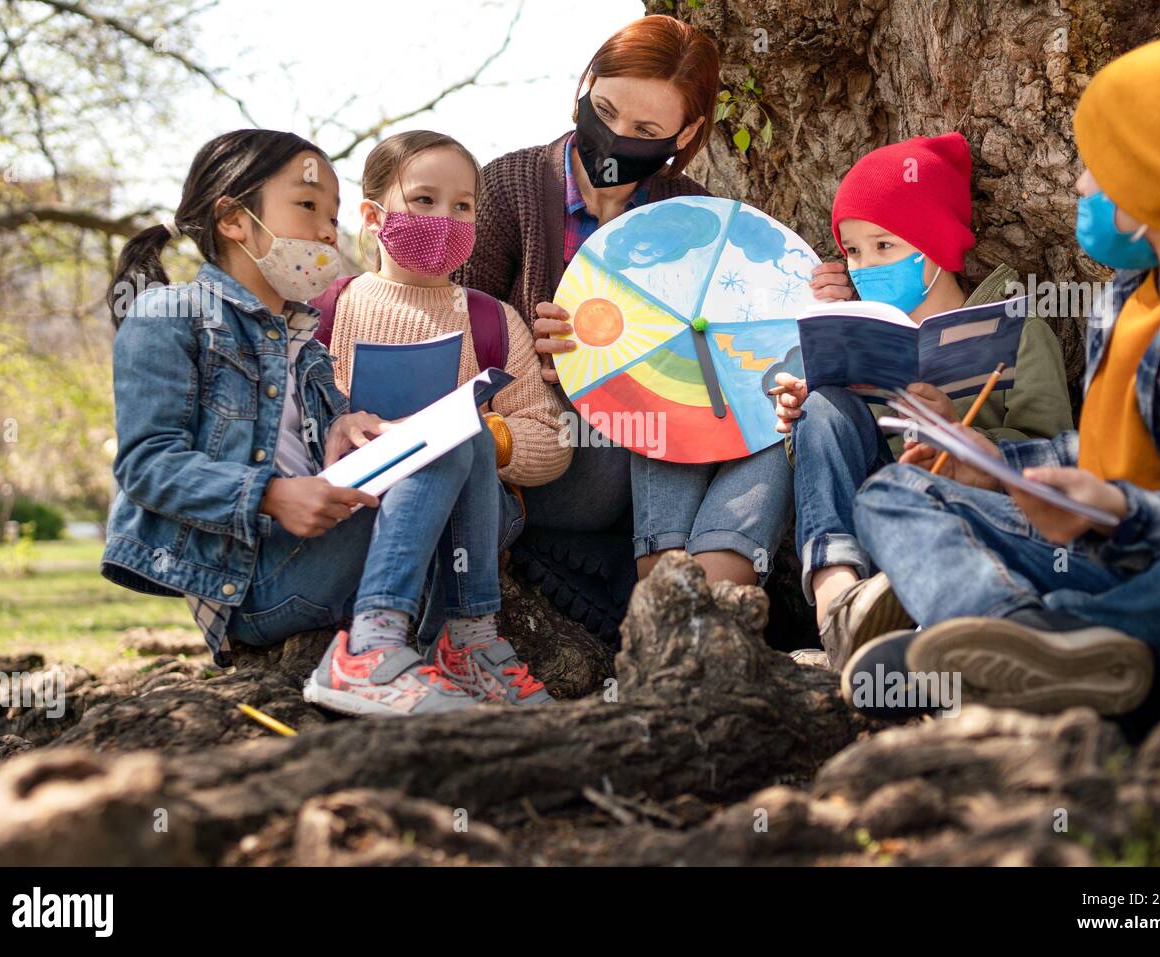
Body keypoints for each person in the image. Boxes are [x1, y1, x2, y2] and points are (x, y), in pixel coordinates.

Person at [845, 32, 1160, 727]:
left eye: (1098, 167)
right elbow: (1095, 453)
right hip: (1095, 550)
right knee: (895, 490)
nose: (1078, 185)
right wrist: (988, 469)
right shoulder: (1126, 297)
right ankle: (1013, 635)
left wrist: (1117, 508)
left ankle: (1038, 648)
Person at [101, 129, 549, 719]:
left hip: (319, 549)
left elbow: (305, 437)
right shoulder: (169, 315)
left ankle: (466, 639)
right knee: (440, 443)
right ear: (235, 219)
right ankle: (371, 652)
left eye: (332, 215)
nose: (324, 231)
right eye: (308, 207)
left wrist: (345, 424)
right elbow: (145, 465)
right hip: (253, 583)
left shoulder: (300, 339)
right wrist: (273, 495)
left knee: (453, 434)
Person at [455, 13, 852, 632]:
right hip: (559, 461)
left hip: (668, 453)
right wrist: (525, 362)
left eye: (644, 129)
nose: (614, 139)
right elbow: (445, 331)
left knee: (781, 413)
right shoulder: (505, 188)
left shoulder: (693, 212)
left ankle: (702, 613)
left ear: (686, 131)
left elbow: (743, 324)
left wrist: (822, 297)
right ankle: (665, 598)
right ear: (585, 84)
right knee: (664, 405)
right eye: (605, 110)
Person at [773, 133, 1071, 666]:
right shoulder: (853, 333)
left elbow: (1050, 453)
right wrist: (804, 412)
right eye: (854, 251)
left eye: (885, 246)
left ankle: (942, 631)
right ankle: (837, 608)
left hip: (971, 518)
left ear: (934, 244)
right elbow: (834, 456)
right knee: (823, 406)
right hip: (868, 521)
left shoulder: (1021, 331)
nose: (866, 266)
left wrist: (965, 437)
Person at [319, 128, 570, 697]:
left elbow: (554, 440)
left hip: (471, 521)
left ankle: (468, 642)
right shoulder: (328, 313)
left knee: (461, 435)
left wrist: (483, 433)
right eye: (424, 201)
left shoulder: (493, 320)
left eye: (462, 207)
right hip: (359, 511)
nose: (445, 219)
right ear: (375, 214)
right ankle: (399, 643)